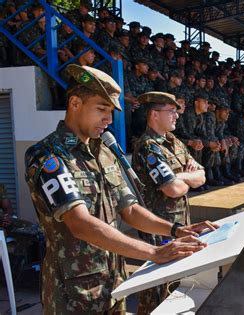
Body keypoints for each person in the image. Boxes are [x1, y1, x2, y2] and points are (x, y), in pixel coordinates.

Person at [24, 65, 217, 314]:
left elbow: (130, 209)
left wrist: (177, 230)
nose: (109, 119)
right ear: (74, 103)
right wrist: (154, 252)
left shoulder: (104, 153)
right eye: (101, 109)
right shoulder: (48, 155)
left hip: (113, 282)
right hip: (73, 293)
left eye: (111, 111)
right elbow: (79, 222)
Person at [132, 92, 207, 313]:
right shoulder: (148, 147)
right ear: (154, 114)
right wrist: (186, 178)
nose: (177, 116)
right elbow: (172, 189)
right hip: (159, 228)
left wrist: (181, 176)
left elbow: (202, 175)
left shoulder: (174, 142)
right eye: (171, 111)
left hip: (180, 225)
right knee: (156, 290)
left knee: (175, 285)